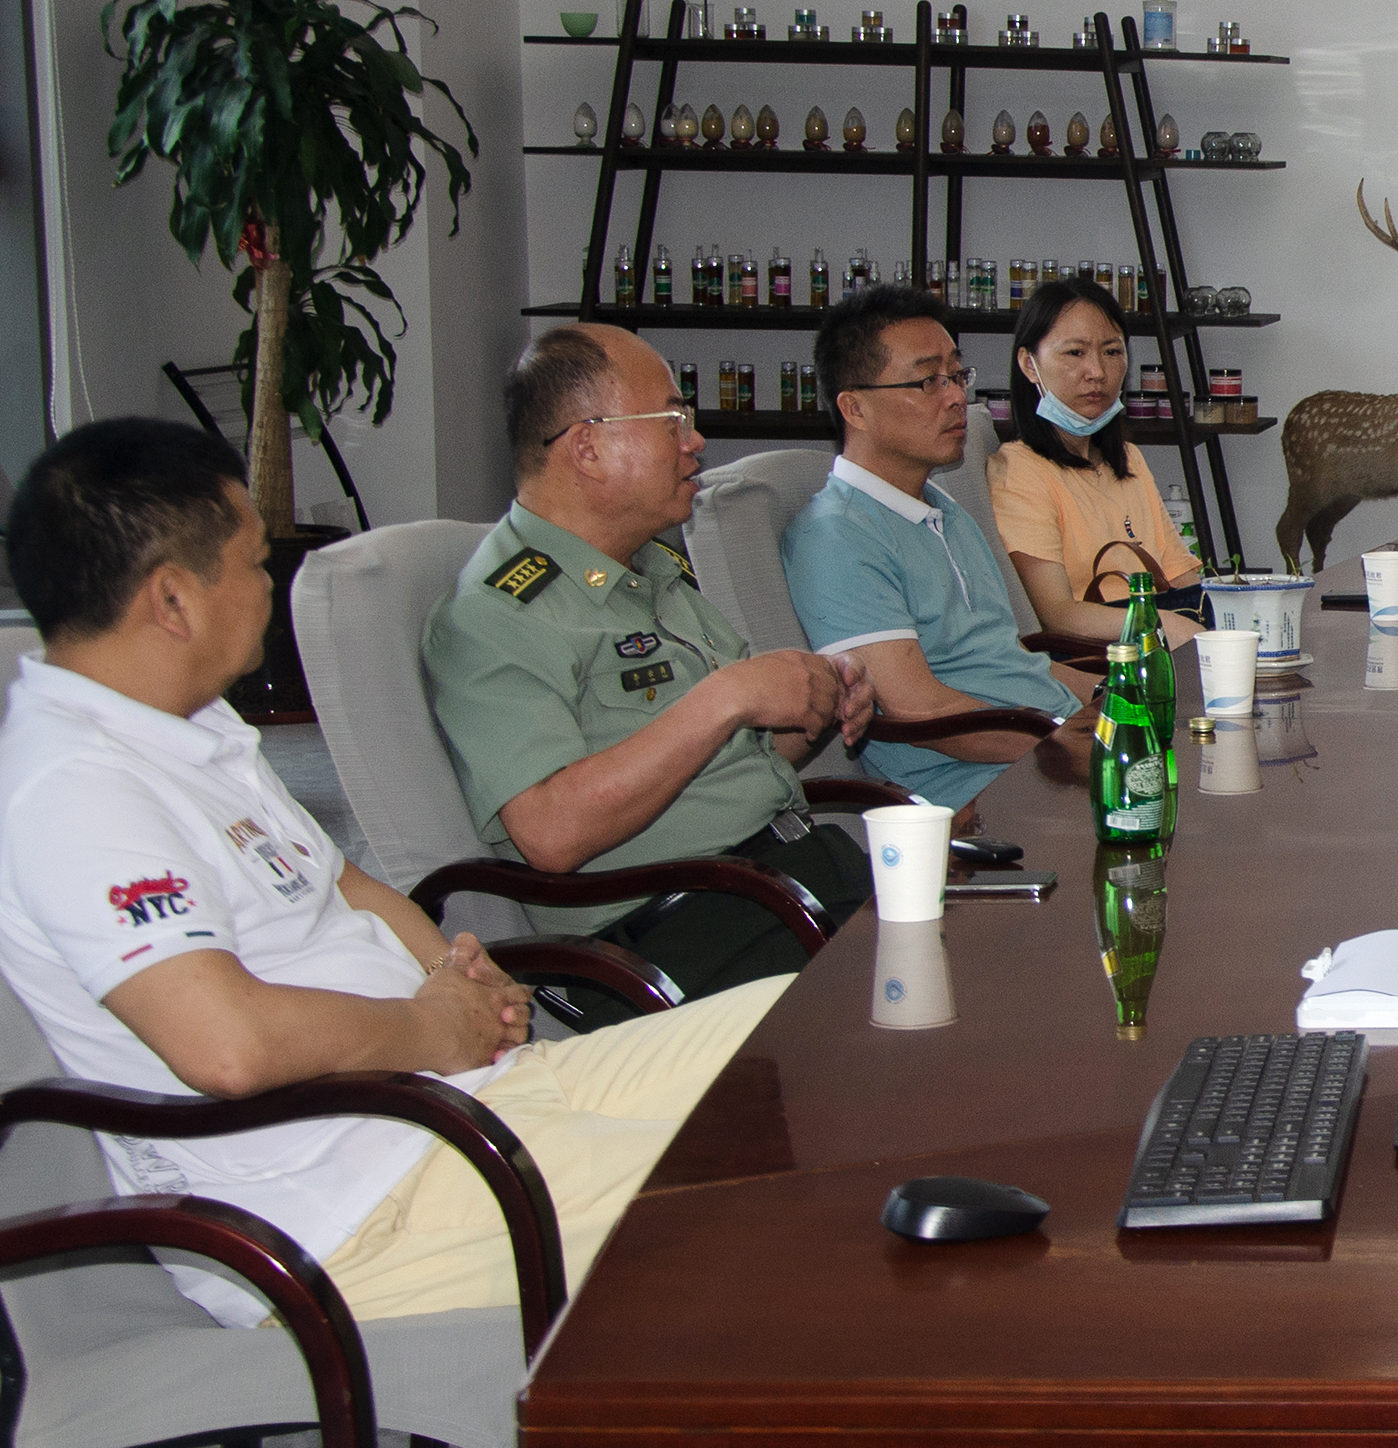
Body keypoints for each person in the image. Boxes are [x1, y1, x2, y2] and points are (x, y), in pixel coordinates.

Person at [0, 419, 788, 1329]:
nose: (267, 586)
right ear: (173, 600)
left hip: (460, 1096)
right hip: (362, 1208)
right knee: (779, 1193)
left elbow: (342, 883)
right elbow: (227, 1046)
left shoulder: (189, 723)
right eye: (253, 565)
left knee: (805, 1045)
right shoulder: (76, 790)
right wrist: (428, 1026)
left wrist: (457, 978)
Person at [425, 325, 875, 1021]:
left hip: (791, 879)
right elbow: (551, 831)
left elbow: (733, 762)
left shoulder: (651, 571)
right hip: (680, 936)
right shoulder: (497, 614)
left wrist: (816, 702)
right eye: (671, 420)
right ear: (587, 447)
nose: (695, 441)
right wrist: (728, 696)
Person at [784, 285, 1081, 808]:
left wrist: (1119, 702)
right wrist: (1075, 745)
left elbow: (1010, 660)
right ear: (854, 407)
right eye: (927, 381)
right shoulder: (836, 536)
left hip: (1046, 755)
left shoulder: (944, 510)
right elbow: (917, 712)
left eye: (957, 376)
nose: (956, 397)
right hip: (981, 794)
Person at [986, 275, 1204, 647]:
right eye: (1075, 353)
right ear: (1029, 364)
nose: (1097, 372)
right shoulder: (1020, 471)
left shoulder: (1129, 458)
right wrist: (1164, 624)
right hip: (1101, 660)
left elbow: (1182, 580)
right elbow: (1057, 615)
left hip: (1160, 646)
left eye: (1112, 351)